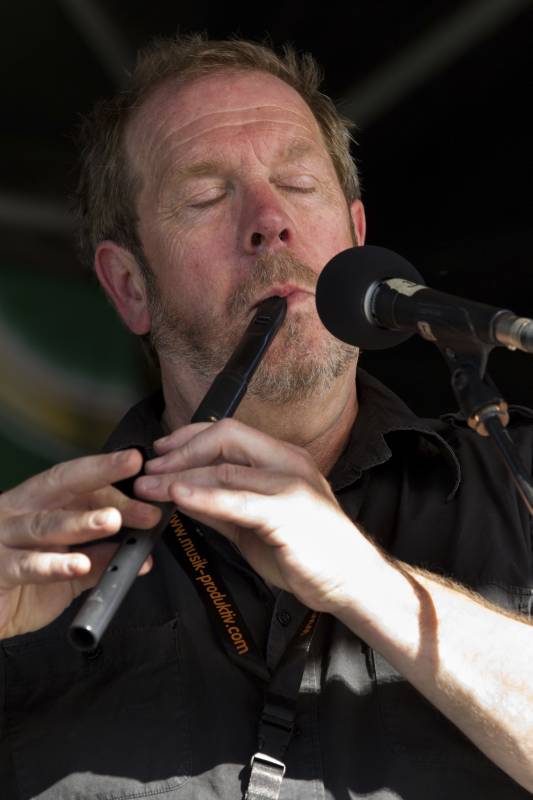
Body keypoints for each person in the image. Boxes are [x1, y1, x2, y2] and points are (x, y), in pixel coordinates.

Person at [0, 34, 532, 800]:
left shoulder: (515, 479)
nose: (269, 221)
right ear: (129, 286)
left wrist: (364, 580)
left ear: (356, 237)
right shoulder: (34, 562)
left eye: (297, 183)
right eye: (205, 198)